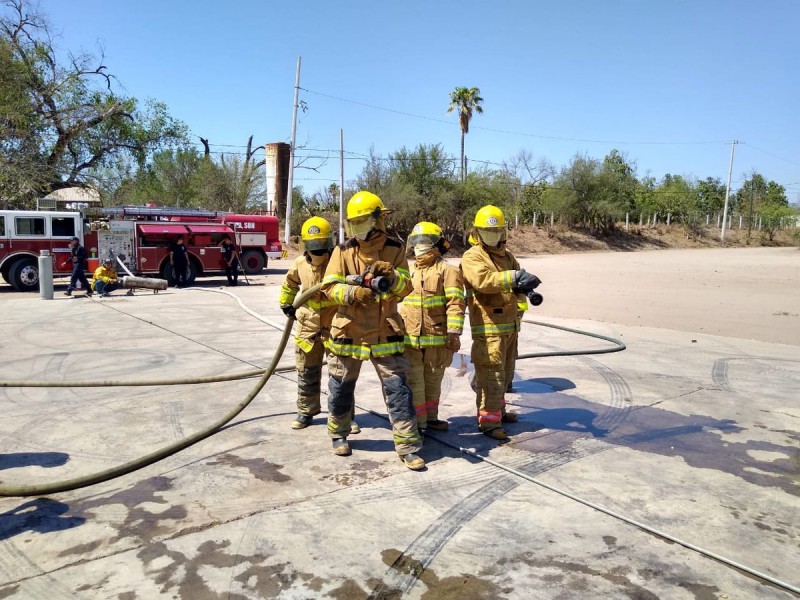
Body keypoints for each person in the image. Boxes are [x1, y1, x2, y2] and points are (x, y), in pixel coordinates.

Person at [321, 191, 424, 470]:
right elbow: (329, 288)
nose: (359, 230)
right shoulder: (341, 251)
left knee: (398, 390)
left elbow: (407, 288)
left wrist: (391, 279)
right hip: (349, 330)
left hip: (384, 331)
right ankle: (338, 433)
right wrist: (354, 293)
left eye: (364, 222)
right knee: (340, 386)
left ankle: (408, 446)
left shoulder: (394, 249)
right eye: (354, 224)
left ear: (379, 220)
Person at [460, 205, 540, 441]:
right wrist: (514, 278)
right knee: (490, 376)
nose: (493, 236)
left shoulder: (507, 256)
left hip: (509, 327)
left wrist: (524, 286)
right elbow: (483, 281)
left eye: (497, 232)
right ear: (477, 232)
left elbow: (514, 283)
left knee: (505, 374)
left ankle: (499, 412)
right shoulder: (473, 256)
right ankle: (488, 422)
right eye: (488, 232)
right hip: (489, 328)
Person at [279, 217, 361, 433]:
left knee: (341, 376)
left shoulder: (338, 262)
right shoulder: (299, 264)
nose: (317, 253)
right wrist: (286, 303)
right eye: (312, 247)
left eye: (321, 247)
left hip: (336, 325)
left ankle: (345, 417)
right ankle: (306, 411)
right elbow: (290, 284)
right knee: (307, 371)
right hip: (308, 327)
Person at [400, 221, 465, 432]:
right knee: (415, 384)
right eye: (417, 241)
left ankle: (431, 419)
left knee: (433, 382)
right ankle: (418, 426)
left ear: (437, 245)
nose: (420, 246)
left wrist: (454, 333)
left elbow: (455, 303)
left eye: (425, 241)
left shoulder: (448, 271)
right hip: (410, 340)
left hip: (437, 340)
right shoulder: (407, 271)